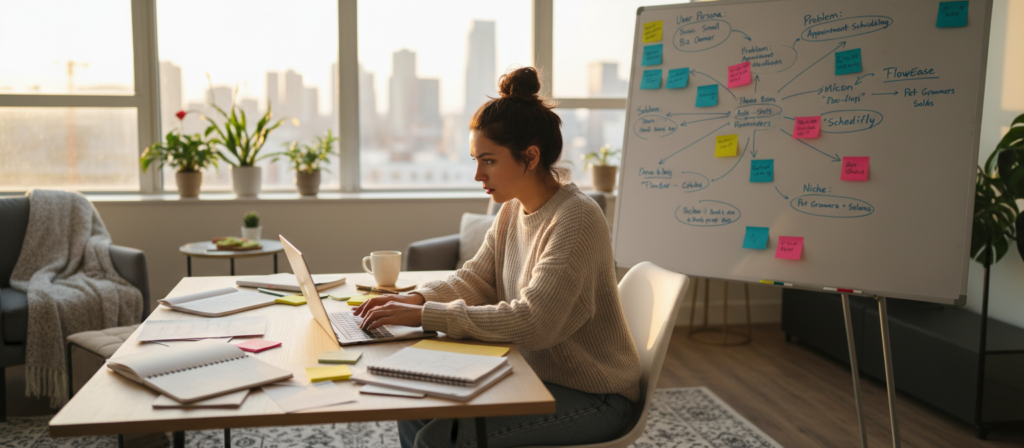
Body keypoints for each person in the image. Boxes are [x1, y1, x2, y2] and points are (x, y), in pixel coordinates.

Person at [353, 66, 641, 448]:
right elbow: (476, 279)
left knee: (439, 439)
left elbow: (534, 322)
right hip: (532, 373)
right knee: (415, 403)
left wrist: (426, 315)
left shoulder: (577, 219)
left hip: (596, 396)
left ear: (531, 156)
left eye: (487, 160)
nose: (477, 174)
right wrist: (416, 299)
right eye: (475, 159)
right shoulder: (512, 210)